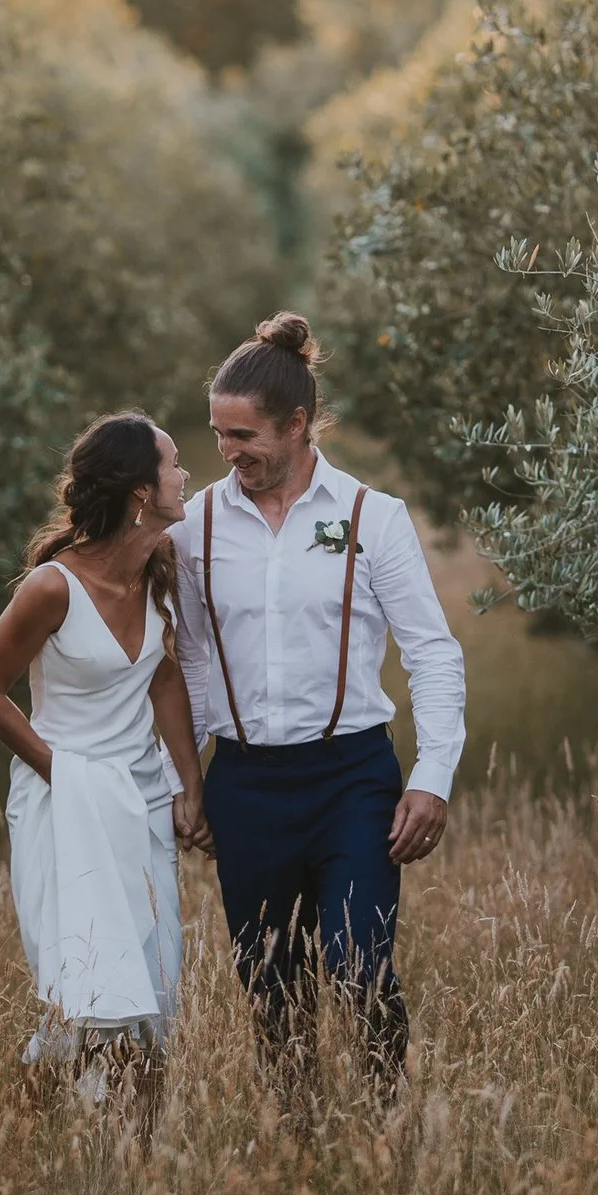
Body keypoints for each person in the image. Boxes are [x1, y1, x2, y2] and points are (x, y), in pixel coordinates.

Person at [174, 312, 465, 1095]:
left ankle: (384, 1120)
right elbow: (192, 659)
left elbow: (432, 650)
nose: (228, 453)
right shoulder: (195, 524)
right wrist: (186, 782)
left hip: (351, 780)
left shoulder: (374, 517)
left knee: (359, 965)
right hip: (245, 785)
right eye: (218, 434)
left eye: (244, 435)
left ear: (297, 424)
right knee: (272, 988)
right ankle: (301, 1144)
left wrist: (432, 774)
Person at [0, 413, 208, 1104]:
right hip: (65, 806)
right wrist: (61, 772)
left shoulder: (160, 571)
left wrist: (190, 785)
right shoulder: (52, 588)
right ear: (140, 490)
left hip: (142, 807)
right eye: (172, 462)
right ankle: (23, 1130)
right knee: (86, 1003)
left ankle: (135, 1177)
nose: (184, 473)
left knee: (153, 1004)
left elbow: (163, 679)